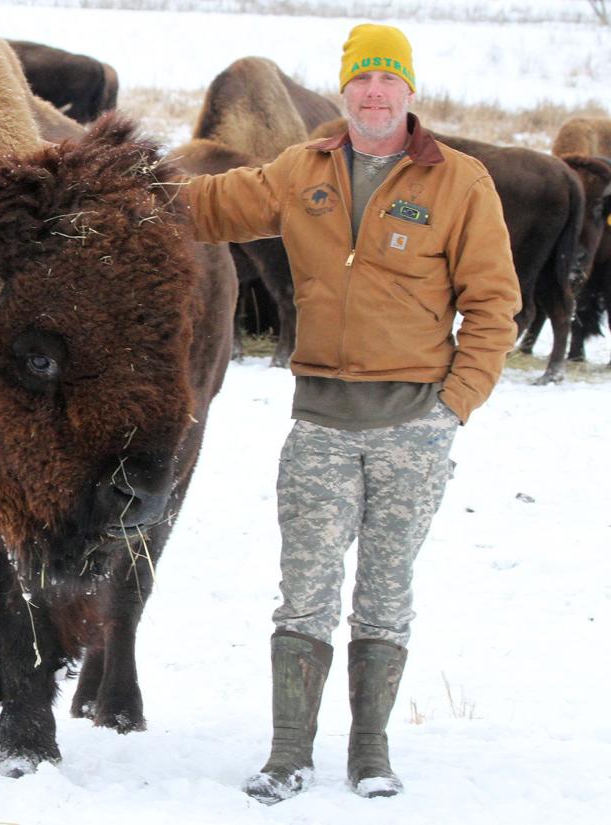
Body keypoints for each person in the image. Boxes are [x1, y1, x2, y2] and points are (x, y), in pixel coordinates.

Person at [182, 24, 521, 803]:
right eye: (361, 79)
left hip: (414, 428)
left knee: (385, 594)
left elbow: (494, 307)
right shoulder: (302, 169)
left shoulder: (460, 182)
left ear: (409, 89)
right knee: (303, 591)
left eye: (387, 79)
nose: (374, 93)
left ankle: (371, 751)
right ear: (344, 89)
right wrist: (124, 189)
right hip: (320, 428)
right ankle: (287, 754)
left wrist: (453, 407)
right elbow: (212, 205)